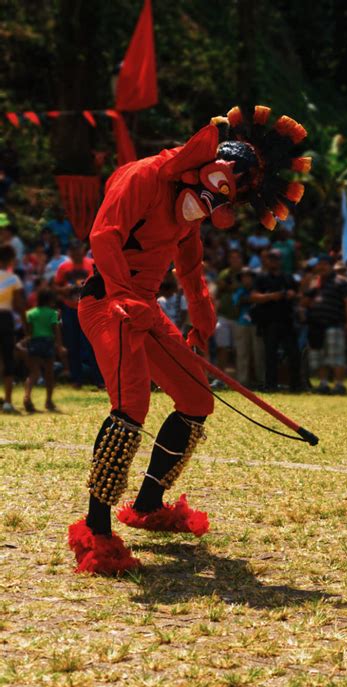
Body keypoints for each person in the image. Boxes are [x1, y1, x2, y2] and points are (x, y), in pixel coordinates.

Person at [68, 105, 311, 575]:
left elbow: (191, 269)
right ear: (203, 166)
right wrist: (122, 296)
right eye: (220, 191)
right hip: (108, 303)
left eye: (228, 201)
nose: (216, 207)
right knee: (131, 406)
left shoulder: (194, 208)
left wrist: (202, 318)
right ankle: (96, 529)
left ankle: (147, 504)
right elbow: (103, 236)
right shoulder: (143, 177)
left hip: (147, 309)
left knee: (197, 400)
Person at [251, 249, 301, 392]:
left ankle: (295, 386)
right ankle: (271, 385)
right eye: (272, 259)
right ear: (267, 261)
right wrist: (272, 296)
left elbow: (298, 294)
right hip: (269, 322)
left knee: (293, 353)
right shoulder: (261, 278)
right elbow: (254, 297)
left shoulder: (288, 277)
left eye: (277, 259)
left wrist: (292, 294)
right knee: (270, 356)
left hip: (287, 321)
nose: (274, 262)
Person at [304, 254, 347, 395]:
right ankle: (323, 383)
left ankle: (339, 385)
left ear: (331, 266)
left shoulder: (341, 281)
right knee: (319, 355)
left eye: (325, 264)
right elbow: (304, 301)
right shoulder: (315, 282)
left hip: (335, 323)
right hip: (315, 325)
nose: (322, 267)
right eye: (320, 264)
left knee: (336, 356)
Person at [54, 240, 100, 388]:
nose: (76, 253)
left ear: (83, 249)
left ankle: (99, 379)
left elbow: (100, 283)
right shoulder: (64, 267)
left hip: (89, 309)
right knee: (72, 344)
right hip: (70, 309)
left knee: (92, 344)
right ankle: (76, 379)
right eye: (73, 250)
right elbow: (56, 287)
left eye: (78, 249)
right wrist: (65, 291)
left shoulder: (92, 263)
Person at [23, 288, 65, 412]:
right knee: (49, 374)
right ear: (50, 300)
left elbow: (28, 331)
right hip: (47, 343)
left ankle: (26, 396)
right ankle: (48, 401)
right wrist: (60, 345)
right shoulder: (53, 313)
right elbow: (56, 330)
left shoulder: (30, 313)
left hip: (35, 342)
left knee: (34, 373)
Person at [0, 245, 25, 413]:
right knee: (8, 358)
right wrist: (26, 322)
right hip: (5, 319)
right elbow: (18, 304)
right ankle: (8, 401)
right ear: (9, 260)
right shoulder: (13, 279)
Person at [231, 267, 265, 387]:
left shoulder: (259, 290)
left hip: (256, 324)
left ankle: (261, 380)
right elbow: (237, 303)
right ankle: (242, 382)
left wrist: (251, 299)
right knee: (242, 353)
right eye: (244, 277)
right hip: (241, 324)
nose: (247, 279)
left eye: (249, 277)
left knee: (259, 353)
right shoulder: (239, 291)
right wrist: (252, 299)